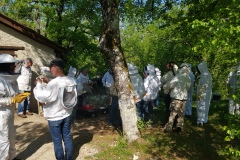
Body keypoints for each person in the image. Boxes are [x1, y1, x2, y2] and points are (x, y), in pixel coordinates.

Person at [33, 59, 77, 160]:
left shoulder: (54, 83)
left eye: (51, 67)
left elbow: (43, 97)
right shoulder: (71, 80)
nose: (50, 70)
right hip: (66, 114)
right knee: (67, 137)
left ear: (57, 67)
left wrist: (38, 84)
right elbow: (60, 89)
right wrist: (49, 82)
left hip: (54, 117)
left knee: (57, 141)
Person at [0, 54, 30, 160]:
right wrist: (12, 100)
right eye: (12, 65)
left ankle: (12, 157)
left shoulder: (12, 79)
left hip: (9, 112)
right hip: (1, 114)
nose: (14, 67)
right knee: (3, 139)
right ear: (6, 66)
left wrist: (21, 95)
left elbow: (15, 92)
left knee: (11, 136)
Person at [163, 63, 191, 133]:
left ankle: (169, 128)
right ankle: (179, 127)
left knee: (173, 113)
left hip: (176, 98)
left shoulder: (178, 76)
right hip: (184, 98)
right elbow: (188, 87)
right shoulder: (188, 77)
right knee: (181, 113)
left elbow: (171, 85)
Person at [196, 61, 212, 126]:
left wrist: (199, 94)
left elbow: (202, 85)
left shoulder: (204, 75)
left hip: (203, 93)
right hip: (208, 92)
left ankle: (200, 120)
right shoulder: (208, 74)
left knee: (201, 105)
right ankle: (205, 119)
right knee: (206, 105)